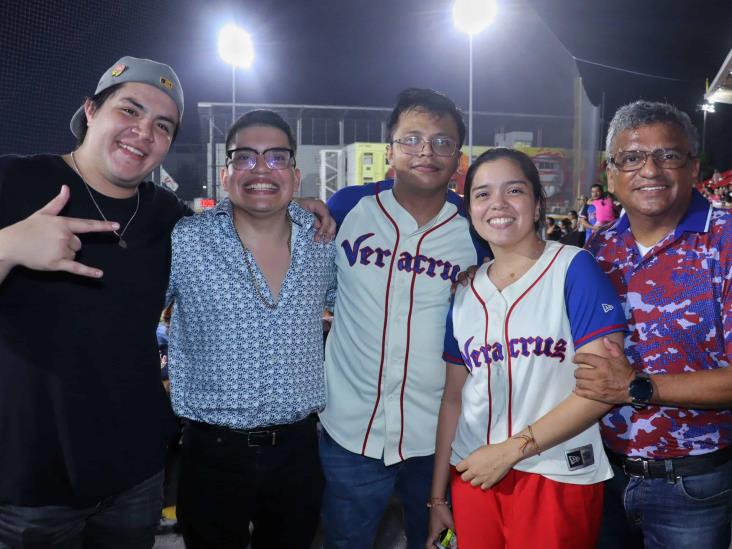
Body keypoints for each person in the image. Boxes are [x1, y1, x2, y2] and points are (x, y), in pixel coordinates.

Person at [0, 56, 332, 548]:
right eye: (129, 111)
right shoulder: (13, 181)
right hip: (32, 479)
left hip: (135, 473)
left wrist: (293, 202)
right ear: (90, 110)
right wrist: (7, 247)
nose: (142, 133)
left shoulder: (167, 218)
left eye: (162, 125)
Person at [318, 88, 488, 549]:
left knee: (437, 543)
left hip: (439, 440)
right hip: (350, 432)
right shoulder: (347, 207)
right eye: (411, 139)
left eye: (442, 142)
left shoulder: (477, 229)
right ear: (389, 149)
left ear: (458, 157)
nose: (426, 152)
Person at [430, 148, 626, 548]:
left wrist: (511, 450)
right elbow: (452, 399)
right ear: (470, 210)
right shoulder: (465, 291)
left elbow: (604, 389)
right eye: (482, 194)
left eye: (514, 190)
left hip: (556, 472)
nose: (497, 204)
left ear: (538, 205)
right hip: (474, 473)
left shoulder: (575, 268)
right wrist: (437, 497)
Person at [166, 109, 336, 548]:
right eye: (245, 158)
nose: (261, 169)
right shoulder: (185, 241)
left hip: (298, 450)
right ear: (225, 174)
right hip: (212, 453)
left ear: (296, 176)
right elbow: (127, 318)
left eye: (277, 158)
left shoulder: (323, 243)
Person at [575, 100, 732, 549]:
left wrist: (638, 387)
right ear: (610, 172)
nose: (650, 170)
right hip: (604, 473)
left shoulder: (724, 241)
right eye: (631, 157)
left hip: (693, 485)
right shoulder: (599, 248)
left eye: (668, 155)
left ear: (693, 166)